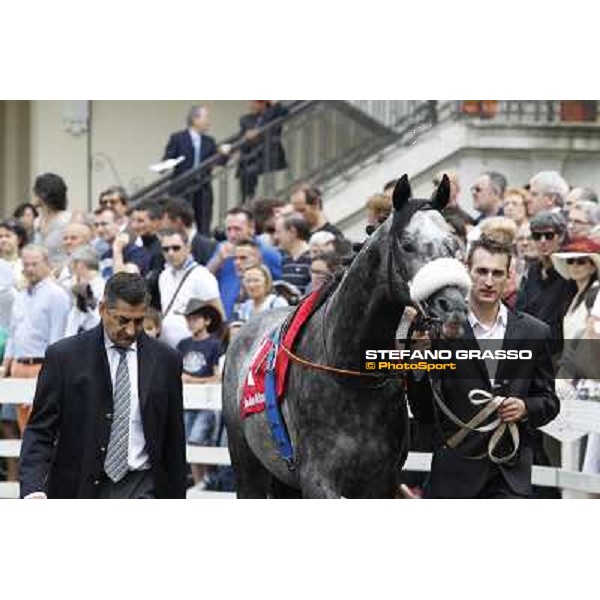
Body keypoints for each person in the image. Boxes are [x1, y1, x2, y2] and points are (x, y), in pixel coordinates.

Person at [407, 236, 559, 498]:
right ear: (468, 271)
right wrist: (418, 360)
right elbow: (422, 409)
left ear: (509, 276)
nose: (489, 281)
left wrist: (525, 408)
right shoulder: (436, 329)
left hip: (509, 475)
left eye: (497, 273)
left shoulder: (535, 331)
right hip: (454, 474)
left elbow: (549, 401)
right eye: (482, 271)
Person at [19, 272, 187, 499]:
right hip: (79, 489)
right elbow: (40, 430)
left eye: (139, 321)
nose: (130, 330)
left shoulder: (167, 360)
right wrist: (33, 489)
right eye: (123, 320)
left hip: (143, 486)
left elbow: (174, 440)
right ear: (102, 309)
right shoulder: (64, 357)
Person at [1, 245, 70, 481]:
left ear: (46, 263)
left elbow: (57, 337)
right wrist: (7, 366)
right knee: (23, 429)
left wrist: (51, 372)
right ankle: (30, 481)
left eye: (34, 264)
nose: (29, 269)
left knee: (43, 427)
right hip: (19, 367)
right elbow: (13, 333)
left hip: (42, 366)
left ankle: (47, 481)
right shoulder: (19, 296)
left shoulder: (56, 295)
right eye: (26, 264)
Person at [176, 299, 223, 486]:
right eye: (189, 319)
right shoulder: (182, 344)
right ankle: (199, 483)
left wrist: (192, 380)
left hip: (207, 401)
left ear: (207, 321)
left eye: (195, 319)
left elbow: (217, 376)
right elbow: (175, 372)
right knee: (189, 442)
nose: (191, 323)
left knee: (198, 439)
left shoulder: (214, 344)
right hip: (186, 401)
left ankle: (205, 482)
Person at [517, 210, 577, 356]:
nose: (543, 241)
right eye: (537, 236)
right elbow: (523, 310)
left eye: (549, 236)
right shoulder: (533, 270)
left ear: (561, 237)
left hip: (557, 351)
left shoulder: (570, 272)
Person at [207, 207, 281, 319]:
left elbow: (279, 284)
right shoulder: (221, 249)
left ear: (251, 228)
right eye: (228, 229)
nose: (232, 235)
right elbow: (205, 279)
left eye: (237, 229)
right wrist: (218, 259)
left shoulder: (267, 252)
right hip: (225, 320)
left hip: (254, 318)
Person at [163, 106, 227, 234]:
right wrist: (164, 166)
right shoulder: (178, 138)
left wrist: (224, 154)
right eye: (206, 117)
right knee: (179, 223)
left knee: (203, 223)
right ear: (195, 119)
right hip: (181, 188)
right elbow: (168, 158)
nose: (208, 121)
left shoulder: (209, 141)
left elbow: (218, 162)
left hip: (202, 188)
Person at [158, 229, 223, 349]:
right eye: (166, 249)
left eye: (176, 248)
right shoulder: (163, 276)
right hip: (167, 348)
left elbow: (219, 316)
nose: (170, 253)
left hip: (194, 349)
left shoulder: (202, 275)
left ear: (188, 248)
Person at [236, 101, 289, 201]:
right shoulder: (245, 119)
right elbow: (242, 139)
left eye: (254, 103)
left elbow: (285, 111)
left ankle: (249, 200)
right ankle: (247, 200)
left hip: (270, 155)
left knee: (251, 171)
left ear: (262, 103)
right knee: (247, 170)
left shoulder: (274, 113)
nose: (250, 105)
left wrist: (273, 102)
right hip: (252, 156)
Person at [95, 207, 148, 278]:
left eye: (104, 224)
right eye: (96, 225)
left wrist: (117, 250)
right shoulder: (105, 255)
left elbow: (123, 281)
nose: (99, 229)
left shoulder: (136, 252)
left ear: (118, 223)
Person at [33, 173, 72, 269]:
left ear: (43, 194)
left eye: (36, 192)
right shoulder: (37, 221)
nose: (34, 196)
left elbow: (68, 252)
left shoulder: (67, 220)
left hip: (62, 273)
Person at [64, 246, 106, 337]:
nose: (70, 268)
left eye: (72, 264)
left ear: (80, 264)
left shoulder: (101, 287)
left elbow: (98, 320)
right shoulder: (74, 284)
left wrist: (87, 298)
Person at [276, 213, 312, 294]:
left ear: (292, 232)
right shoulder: (285, 258)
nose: (276, 237)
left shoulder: (312, 259)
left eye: (279, 232)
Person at [0, 219, 27, 290]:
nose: (3, 240)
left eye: (7, 236)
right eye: (0, 236)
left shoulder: (27, 264)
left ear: (19, 240)